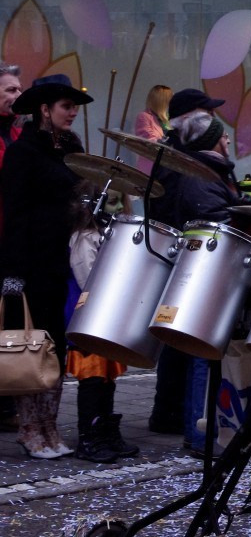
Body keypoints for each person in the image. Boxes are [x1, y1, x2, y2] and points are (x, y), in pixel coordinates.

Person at [0, 74, 93, 459]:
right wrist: (13, 273)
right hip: (31, 260)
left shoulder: (71, 148)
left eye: (73, 106)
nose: (72, 112)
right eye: (65, 106)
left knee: (55, 344)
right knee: (30, 344)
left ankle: (51, 427)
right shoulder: (25, 152)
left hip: (62, 259)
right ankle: (30, 429)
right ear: (44, 109)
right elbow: (15, 213)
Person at [150, 109, 251, 457]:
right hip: (208, 269)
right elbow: (213, 219)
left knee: (203, 354)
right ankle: (200, 435)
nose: (227, 140)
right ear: (212, 142)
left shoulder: (207, 172)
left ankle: (202, 430)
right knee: (202, 353)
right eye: (222, 136)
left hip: (206, 267)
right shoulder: (203, 176)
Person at [145, 89, 227, 440]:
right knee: (183, 339)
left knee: (175, 339)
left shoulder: (175, 154)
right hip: (185, 253)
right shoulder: (181, 160)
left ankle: (168, 414)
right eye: (207, 111)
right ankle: (178, 417)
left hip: (178, 251)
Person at [67, 182, 140, 464]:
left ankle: (106, 432)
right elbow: (88, 279)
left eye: (121, 202)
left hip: (106, 318)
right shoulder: (86, 237)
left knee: (107, 378)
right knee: (94, 378)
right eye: (112, 202)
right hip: (90, 319)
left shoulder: (105, 235)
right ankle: (89, 437)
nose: (120, 208)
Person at [0, 62, 21, 432]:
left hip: (15, 247)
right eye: (9, 90)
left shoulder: (18, 135)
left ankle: (6, 401)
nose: (17, 96)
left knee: (11, 320)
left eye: (19, 89)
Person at [133, 85, 172, 175]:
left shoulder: (169, 120)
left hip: (168, 168)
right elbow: (147, 141)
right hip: (151, 167)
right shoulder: (144, 117)